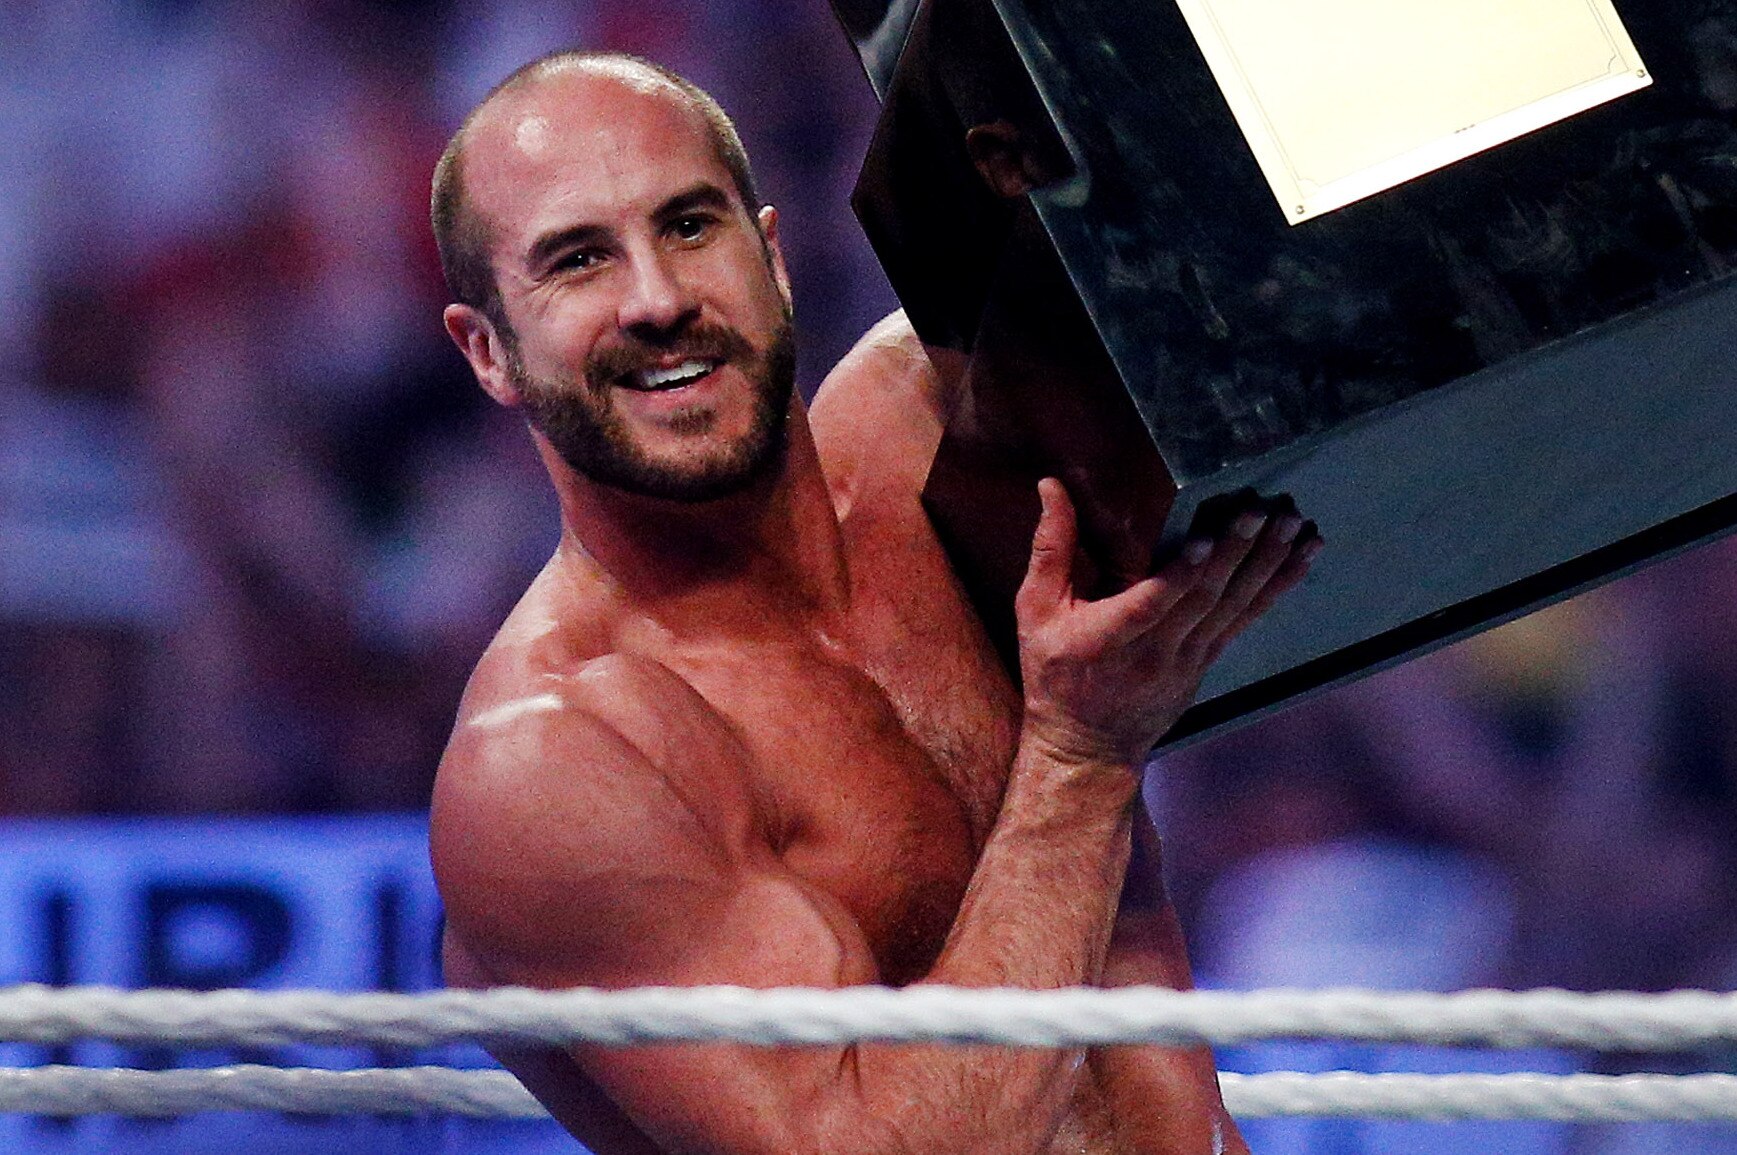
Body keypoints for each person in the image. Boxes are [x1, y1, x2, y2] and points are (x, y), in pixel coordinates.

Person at [428, 48, 1320, 1155]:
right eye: (578, 261)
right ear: (488, 352)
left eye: (692, 227)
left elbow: (1296, 260)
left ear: (772, 253)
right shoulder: (565, 760)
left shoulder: (939, 430)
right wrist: (1081, 763)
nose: (657, 299)